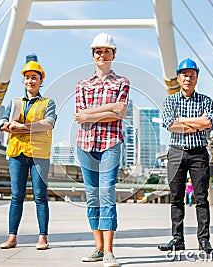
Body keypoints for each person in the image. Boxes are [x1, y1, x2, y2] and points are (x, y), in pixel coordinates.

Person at [74, 32, 129, 267]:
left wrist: (92, 112)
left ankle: (109, 251)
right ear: (93, 54)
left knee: (107, 194)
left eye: (106, 51)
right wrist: (110, 108)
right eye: (98, 51)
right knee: (92, 197)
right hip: (85, 145)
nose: (102, 54)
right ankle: (97, 247)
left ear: (113, 54)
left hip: (111, 144)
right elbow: (80, 117)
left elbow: (120, 113)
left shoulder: (122, 82)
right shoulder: (82, 84)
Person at [0, 60, 57, 250]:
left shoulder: (48, 103)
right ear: (23, 81)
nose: (30, 81)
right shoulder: (14, 102)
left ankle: (43, 237)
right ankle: (12, 237)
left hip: (39, 154)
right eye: (27, 78)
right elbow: (2, 122)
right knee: (16, 196)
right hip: (17, 153)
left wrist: (22, 127)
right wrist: (8, 126)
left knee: (40, 196)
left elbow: (49, 123)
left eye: (34, 78)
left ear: (41, 81)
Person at [159, 58, 213, 254]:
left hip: (198, 153)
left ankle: (204, 240)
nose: (188, 78)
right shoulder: (170, 100)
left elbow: (207, 122)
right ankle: (177, 238)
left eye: (192, 75)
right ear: (178, 77)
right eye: (184, 75)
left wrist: (182, 121)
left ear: (197, 78)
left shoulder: (206, 100)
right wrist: (195, 123)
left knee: (201, 197)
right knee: (176, 197)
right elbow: (170, 124)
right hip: (176, 153)